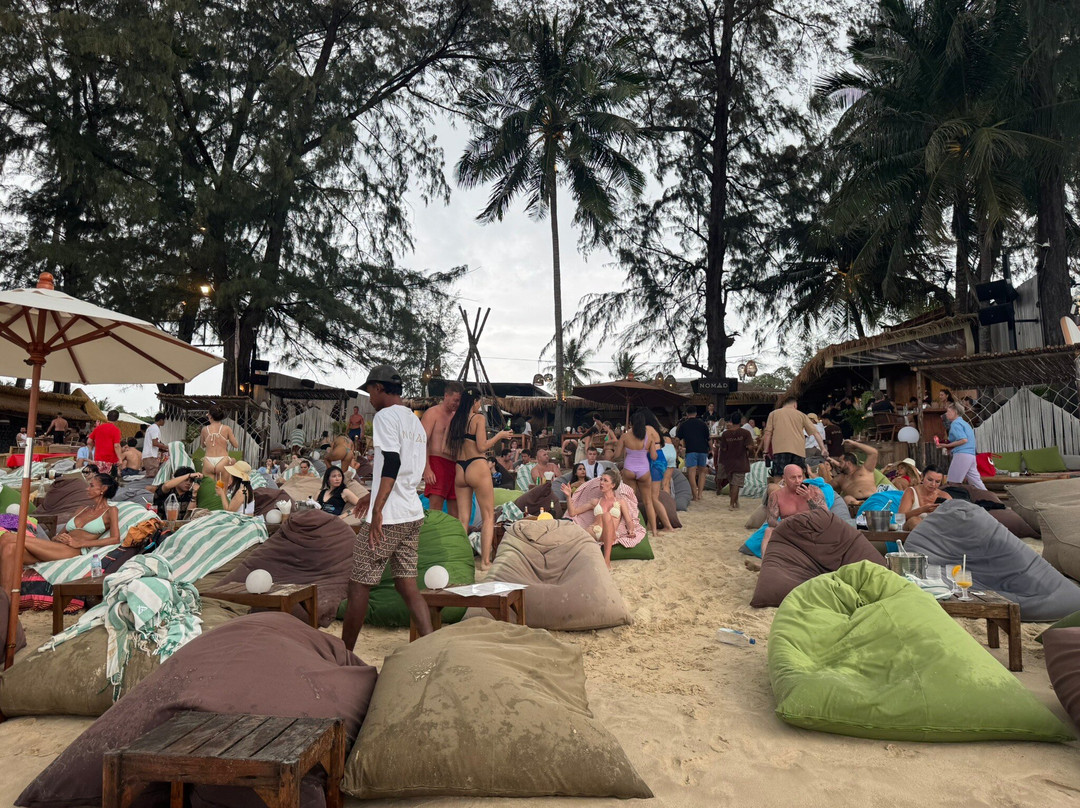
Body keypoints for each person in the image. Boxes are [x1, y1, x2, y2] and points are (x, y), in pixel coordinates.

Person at [342, 364, 433, 651]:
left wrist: (378, 509)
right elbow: (405, 470)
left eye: (369, 391)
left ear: (379, 388)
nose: (369, 398)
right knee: (407, 584)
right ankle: (431, 646)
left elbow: (392, 462)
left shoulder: (384, 417)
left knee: (359, 584)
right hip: (411, 512)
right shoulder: (414, 422)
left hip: (390, 516)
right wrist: (372, 495)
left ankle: (344, 654)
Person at [0, 473, 120, 592]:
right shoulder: (82, 509)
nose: (87, 489)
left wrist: (80, 543)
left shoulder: (111, 511)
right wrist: (57, 538)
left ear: (103, 489)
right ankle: (6, 599)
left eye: (91, 486)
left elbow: (115, 539)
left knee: (7, 537)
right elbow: (59, 535)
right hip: (57, 546)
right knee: (10, 548)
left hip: (72, 550)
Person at [562, 469, 637, 568]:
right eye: (601, 480)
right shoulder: (595, 501)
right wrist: (568, 496)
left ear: (613, 485)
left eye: (605, 480)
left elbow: (629, 520)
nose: (601, 482)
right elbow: (573, 512)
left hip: (610, 533)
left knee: (606, 515)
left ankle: (607, 560)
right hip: (593, 532)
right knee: (570, 537)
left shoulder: (620, 501)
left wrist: (631, 530)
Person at [761, 464, 827, 556]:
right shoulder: (776, 495)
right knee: (769, 531)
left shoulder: (814, 491)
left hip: (810, 529)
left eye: (800, 477)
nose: (797, 481)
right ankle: (766, 562)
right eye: (793, 478)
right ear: (784, 478)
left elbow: (825, 515)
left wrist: (809, 499)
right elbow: (771, 521)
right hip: (788, 529)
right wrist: (787, 525)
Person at [420, 380, 464, 518]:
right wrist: (426, 468)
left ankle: (452, 532)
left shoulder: (456, 416)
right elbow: (422, 442)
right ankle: (433, 531)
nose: (457, 404)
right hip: (436, 462)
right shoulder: (432, 413)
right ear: (446, 396)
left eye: (459, 401)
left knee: (455, 511)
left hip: (454, 464)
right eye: (455, 400)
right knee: (436, 507)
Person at [762, 397, 826, 478]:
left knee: (779, 476)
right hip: (798, 451)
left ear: (784, 404)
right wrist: (823, 448)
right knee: (798, 476)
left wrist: (765, 451)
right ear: (795, 405)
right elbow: (815, 433)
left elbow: (767, 434)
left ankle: (779, 486)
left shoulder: (773, 414)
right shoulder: (801, 415)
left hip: (780, 450)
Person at [940, 401, 986, 490]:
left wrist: (947, 445)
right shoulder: (965, 423)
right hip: (971, 455)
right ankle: (989, 497)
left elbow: (963, 440)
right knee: (976, 482)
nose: (946, 414)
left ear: (955, 412)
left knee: (953, 482)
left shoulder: (955, 424)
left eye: (948, 411)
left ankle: (954, 498)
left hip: (962, 454)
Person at [715, 412, 754, 509]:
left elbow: (723, 448)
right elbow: (750, 447)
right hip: (740, 461)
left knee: (732, 482)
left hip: (728, 461)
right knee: (736, 483)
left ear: (731, 421)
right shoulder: (746, 433)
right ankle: (732, 504)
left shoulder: (726, 434)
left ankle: (735, 502)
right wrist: (751, 454)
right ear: (740, 421)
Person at [826, 439, 880, 505]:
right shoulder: (840, 478)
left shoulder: (865, 469)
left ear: (848, 463)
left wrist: (854, 443)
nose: (838, 465)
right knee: (847, 498)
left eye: (840, 462)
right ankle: (858, 504)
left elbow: (874, 452)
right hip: (854, 504)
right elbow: (826, 487)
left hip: (872, 499)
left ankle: (863, 504)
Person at [897, 465, 951, 530]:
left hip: (935, 529)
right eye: (930, 480)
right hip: (912, 529)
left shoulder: (944, 495)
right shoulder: (911, 492)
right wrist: (921, 510)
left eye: (937, 482)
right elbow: (900, 517)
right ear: (922, 476)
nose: (933, 484)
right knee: (914, 520)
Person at [678, 406, 712, 501]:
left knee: (691, 473)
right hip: (703, 450)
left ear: (687, 414)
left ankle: (694, 495)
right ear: (696, 414)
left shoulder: (683, 425)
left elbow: (678, 438)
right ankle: (700, 494)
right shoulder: (703, 424)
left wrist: (677, 448)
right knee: (702, 472)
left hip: (691, 450)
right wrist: (711, 449)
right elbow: (708, 438)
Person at [201, 405, 239, 485]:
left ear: (210, 416)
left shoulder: (204, 430)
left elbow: (203, 445)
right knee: (221, 489)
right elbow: (236, 445)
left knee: (209, 488)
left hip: (208, 461)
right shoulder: (226, 429)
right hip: (222, 460)